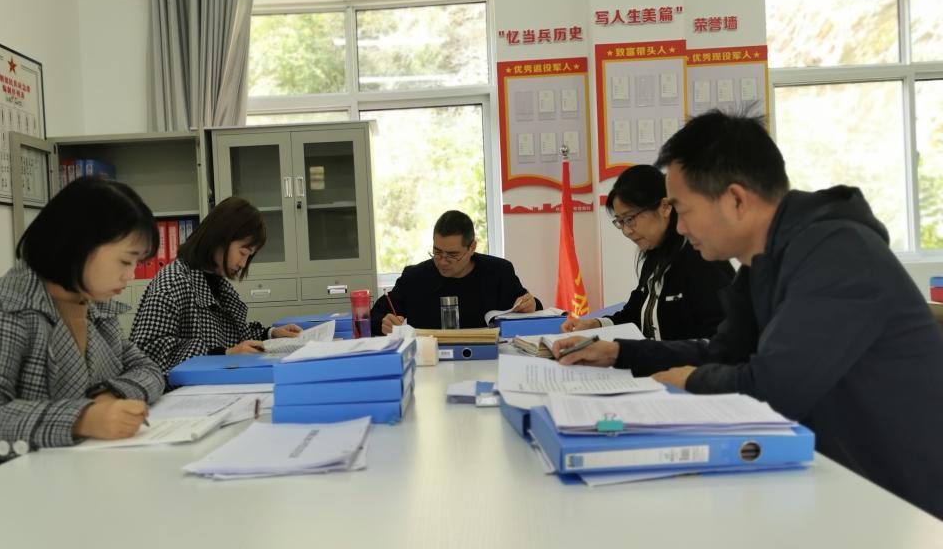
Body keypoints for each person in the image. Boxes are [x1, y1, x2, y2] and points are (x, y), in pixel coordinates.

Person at [551, 110, 943, 519]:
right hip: (825, 480)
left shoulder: (839, 253)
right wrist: (619, 353)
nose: (680, 228)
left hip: (899, 504)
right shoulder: (762, 264)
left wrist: (691, 380)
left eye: (684, 210)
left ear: (736, 200)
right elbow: (720, 353)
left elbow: (774, 387)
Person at [0, 177, 166, 493]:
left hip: (72, 479)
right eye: (125, 260)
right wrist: (82, 418)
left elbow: (148, 369)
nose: (130, 274)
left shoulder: (93, 306)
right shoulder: (3, 307)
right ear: (79, 244)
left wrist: (109, 394)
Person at [131, 196, 301, 373]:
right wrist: (224, 354)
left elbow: (236, 333)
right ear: (220, 239)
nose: (243, 263)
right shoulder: (172, 283)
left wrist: (271, 334)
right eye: (243, 252)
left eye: (249, 256)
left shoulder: (215, 281)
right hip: (183, 387)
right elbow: (147, 351)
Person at [562, 165, 733, 340]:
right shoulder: (655, 256)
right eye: (620, 222)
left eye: (630, 219)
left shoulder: (703, 259)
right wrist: (595, 324)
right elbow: (634, 314)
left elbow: (719, 341)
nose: (626, 231)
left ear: (665, 207)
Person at [371, 210, 539, 334]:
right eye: (437, 252)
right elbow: (375, 315)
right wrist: (383, 323)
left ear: (472, 247)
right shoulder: (415, 277)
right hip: (429, 362)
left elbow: (530, 306)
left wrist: (531, 305)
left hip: (489, 360)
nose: (442, 261)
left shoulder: (498, 272)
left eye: (452, 255)